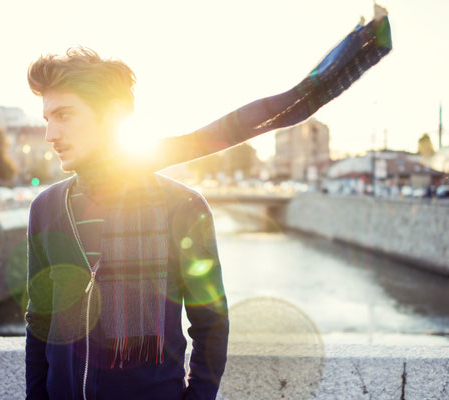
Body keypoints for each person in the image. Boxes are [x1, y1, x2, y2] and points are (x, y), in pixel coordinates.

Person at [25, 10, 392, 400]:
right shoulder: (46, 208)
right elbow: (40, 322)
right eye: (46, 118)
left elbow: (211, 323)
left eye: (64, 115)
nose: (50, 133)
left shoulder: (181, 206)